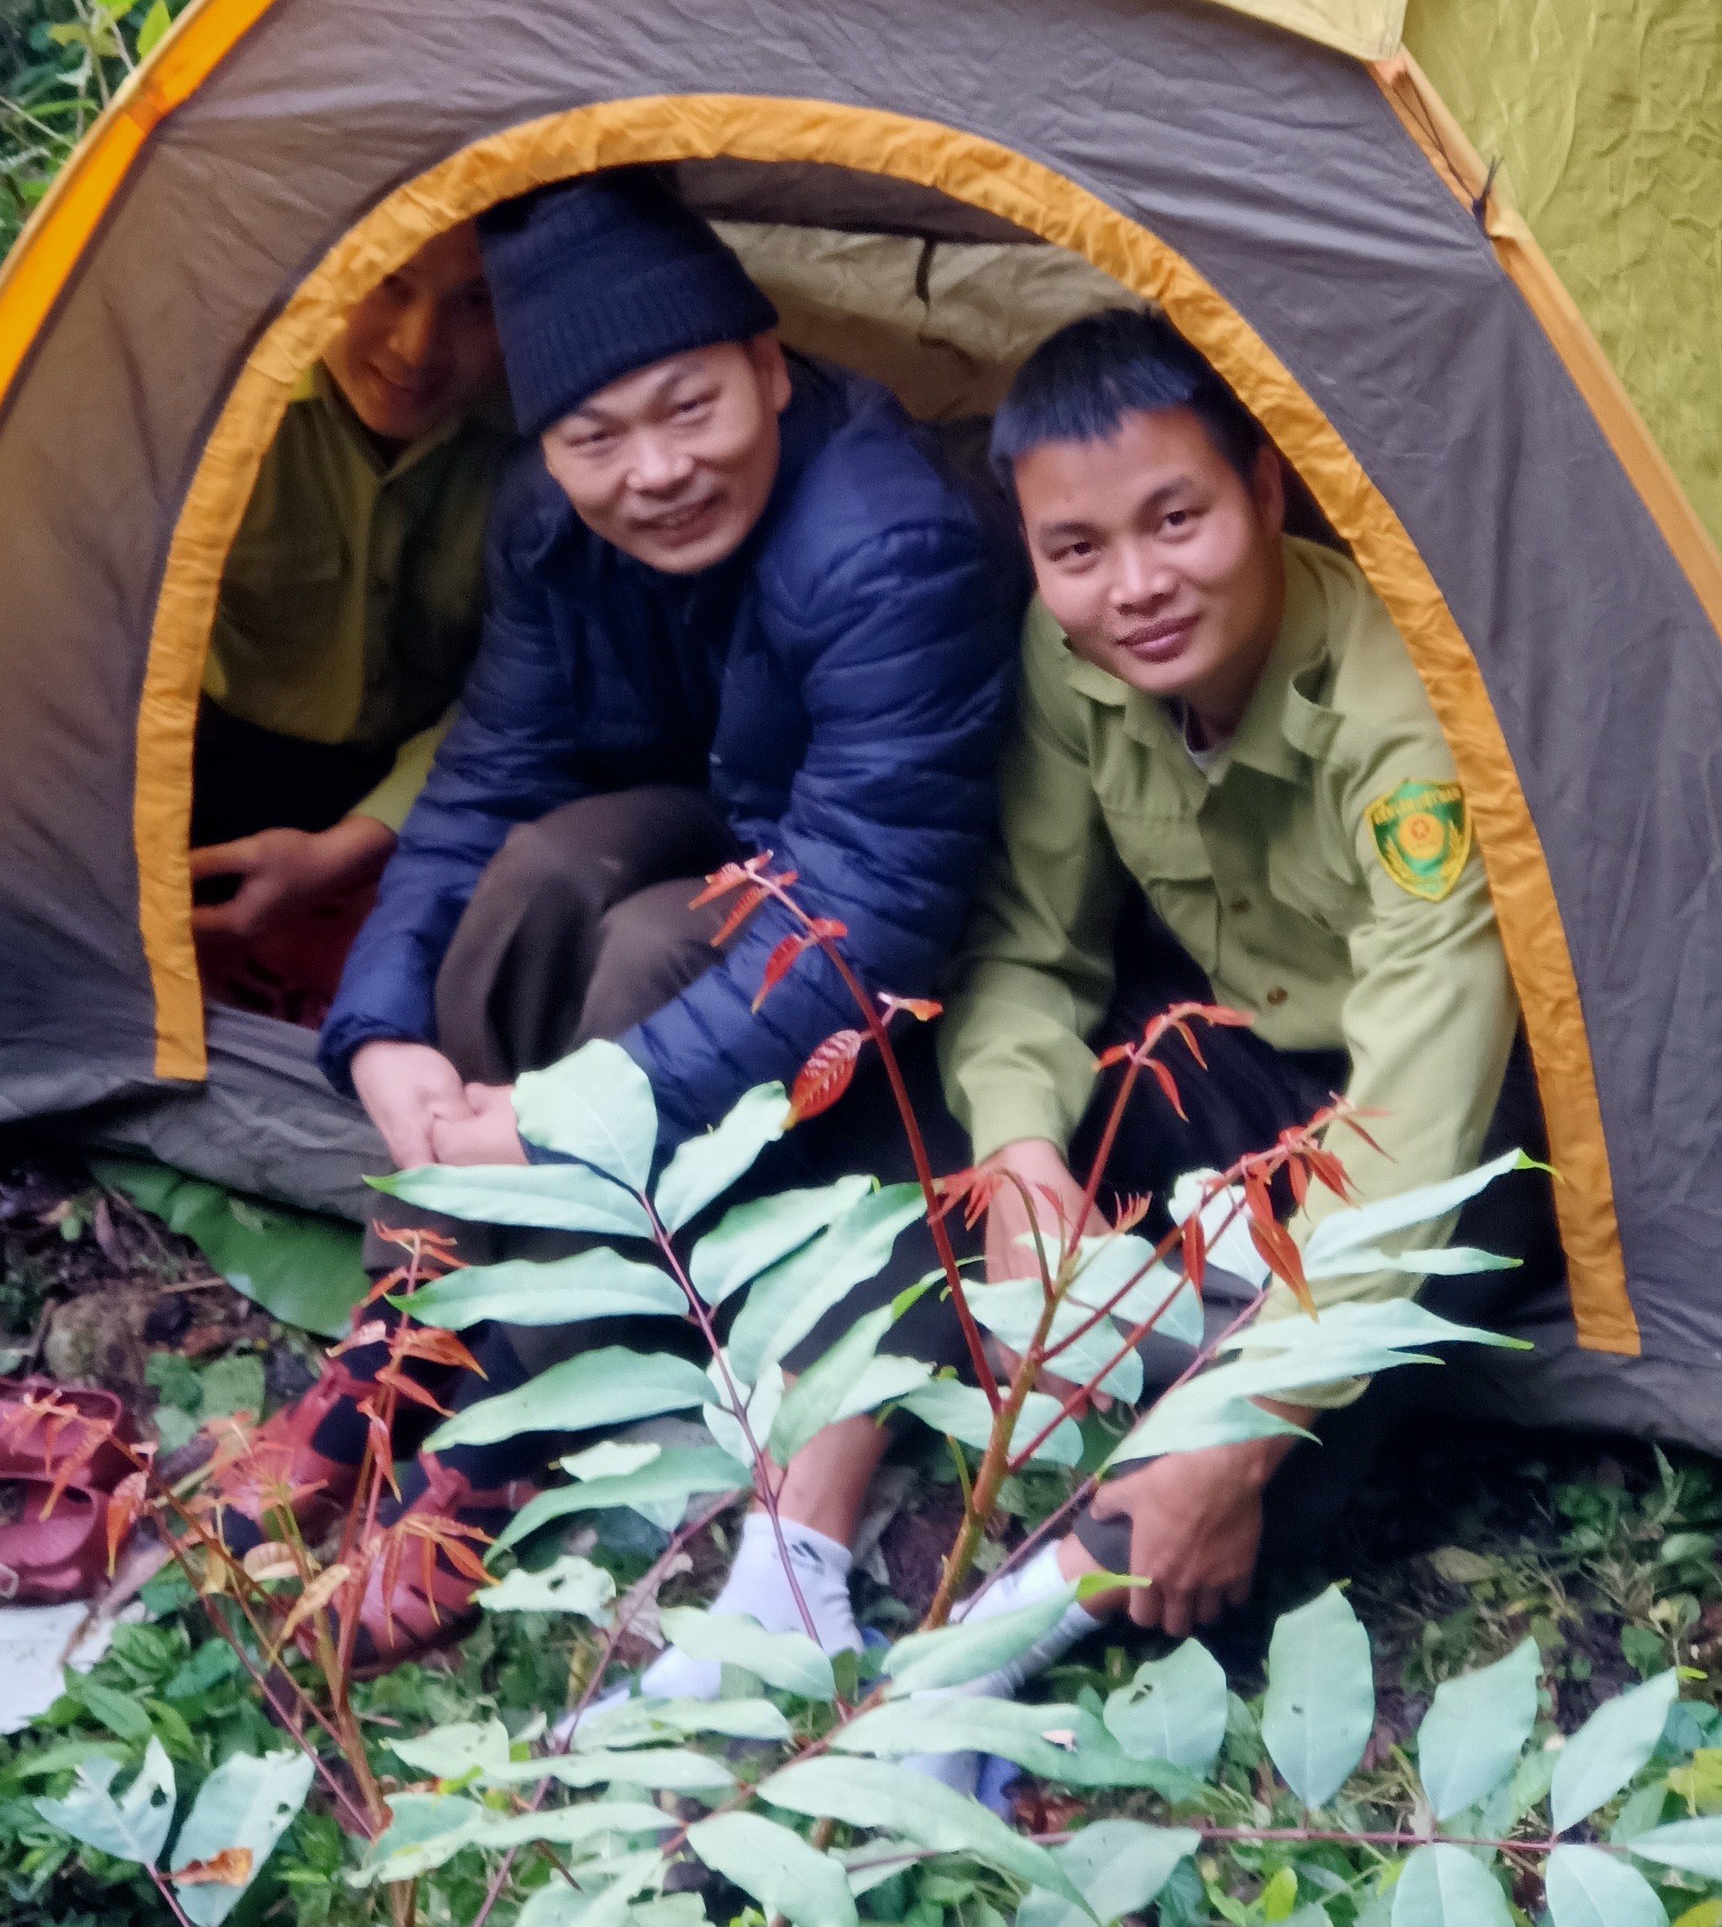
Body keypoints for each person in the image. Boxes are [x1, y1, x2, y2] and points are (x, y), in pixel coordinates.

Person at [625, 304, 1559, 1749]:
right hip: (1230, 1040)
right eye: (1076, 550)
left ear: (1265, 490)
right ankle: (788, 1571)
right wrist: (1022, 1160)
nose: (1134, 587)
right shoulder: (1073, 664)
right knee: (932, 1083)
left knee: (1366, 1317)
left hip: (1433, 1089)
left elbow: (1420, 1129)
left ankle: (979, 1663)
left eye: (1174, 519)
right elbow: (1026, 946)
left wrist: (1247, 1435)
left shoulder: (1397, 723)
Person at [238, 166, 1023, 1656]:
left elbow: (877, 913)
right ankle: (415, 1318)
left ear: (770, 372)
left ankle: (522, 1401)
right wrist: (384, 1024)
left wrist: (571, 1112)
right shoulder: (550, 519)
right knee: (545, 866)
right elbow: (486, 775)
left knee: (660, 943)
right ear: (547, 445)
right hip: (740, 812)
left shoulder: (886, 543)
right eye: (595, 435)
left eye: (689, 409)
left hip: (909, 939)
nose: (651, 470)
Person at [188, 221, 510, 1016]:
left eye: (476, 301)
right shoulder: (212, 408)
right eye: (387, 281)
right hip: (205, 758)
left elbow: (515, 699)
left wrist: (347, 849)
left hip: (432, 789)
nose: (416, 347)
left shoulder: (549, 445)